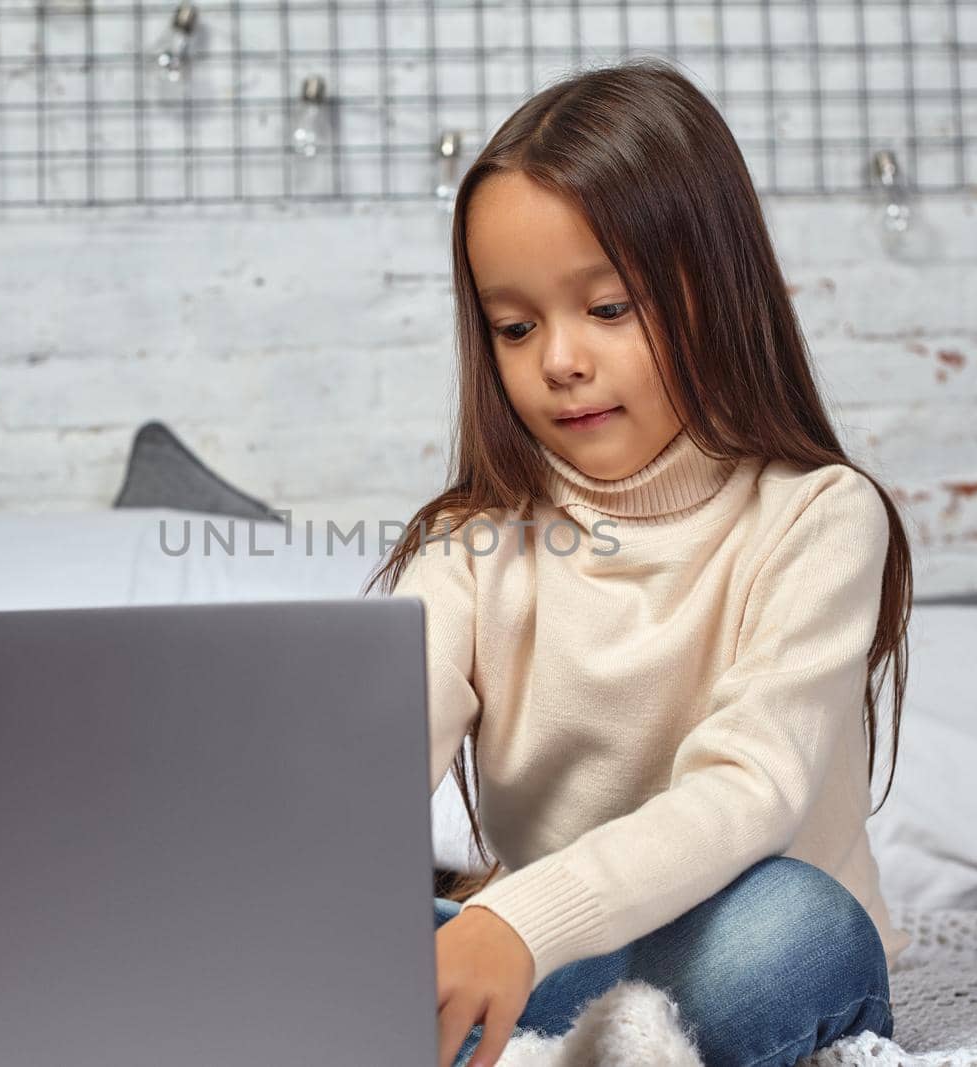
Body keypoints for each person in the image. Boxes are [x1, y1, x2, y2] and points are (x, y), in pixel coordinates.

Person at [363, 57, 915, 1067]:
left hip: (743, 945)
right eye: (515, 327)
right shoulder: (471, 542)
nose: (559, 360)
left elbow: (745, 791)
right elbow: (362, 762)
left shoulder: (820, 516)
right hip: (548, 953)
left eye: (608, 309)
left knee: (793, 920)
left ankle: (473, 1025)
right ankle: (518, 1026)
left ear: (718, 291)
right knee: (329, 922)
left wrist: (516, 917)